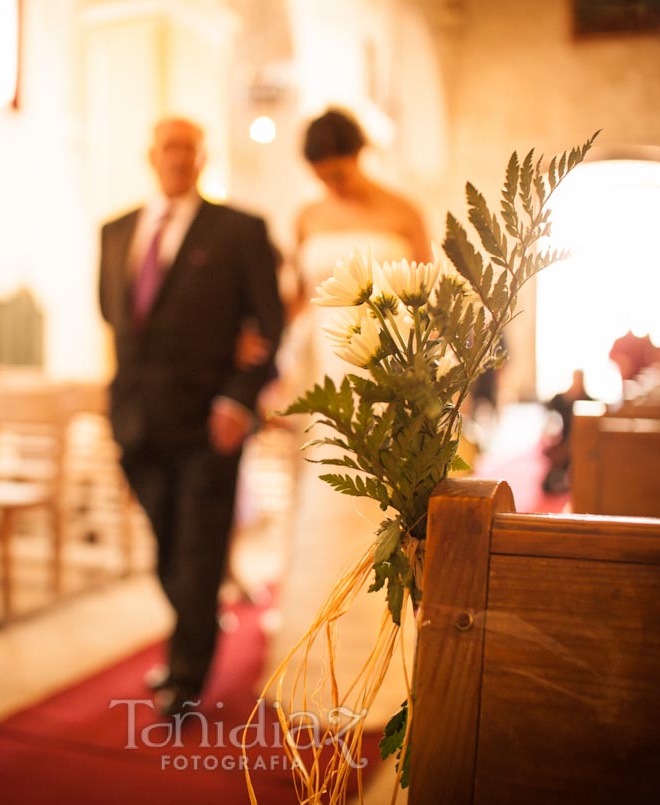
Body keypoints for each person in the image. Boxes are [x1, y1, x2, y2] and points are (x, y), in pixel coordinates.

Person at [98, 117, 284, 717]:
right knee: (167, 550)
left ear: (203, 159)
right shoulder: (116, 231)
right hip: (136, 421)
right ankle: (197, 626)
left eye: (188, 148)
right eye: (167, 147)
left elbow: (269, 324)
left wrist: (238, 397)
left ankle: (185, 677)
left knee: (200, 549)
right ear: (150, 155)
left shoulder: (239, 230)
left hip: (211, 423)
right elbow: (114, 316)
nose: (177, 157)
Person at [263, 108, 431, 730]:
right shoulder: (306, 217)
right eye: (321, 176)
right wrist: (271, 367)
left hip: (387, 383)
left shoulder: (402, 212)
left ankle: (388, 668)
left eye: (341, 172)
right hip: (326, 387)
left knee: (376, 516)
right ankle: (313, 666)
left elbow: (427, 298)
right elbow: (292, 304)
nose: (333, 185)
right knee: (322, 512)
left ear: (360, 154)